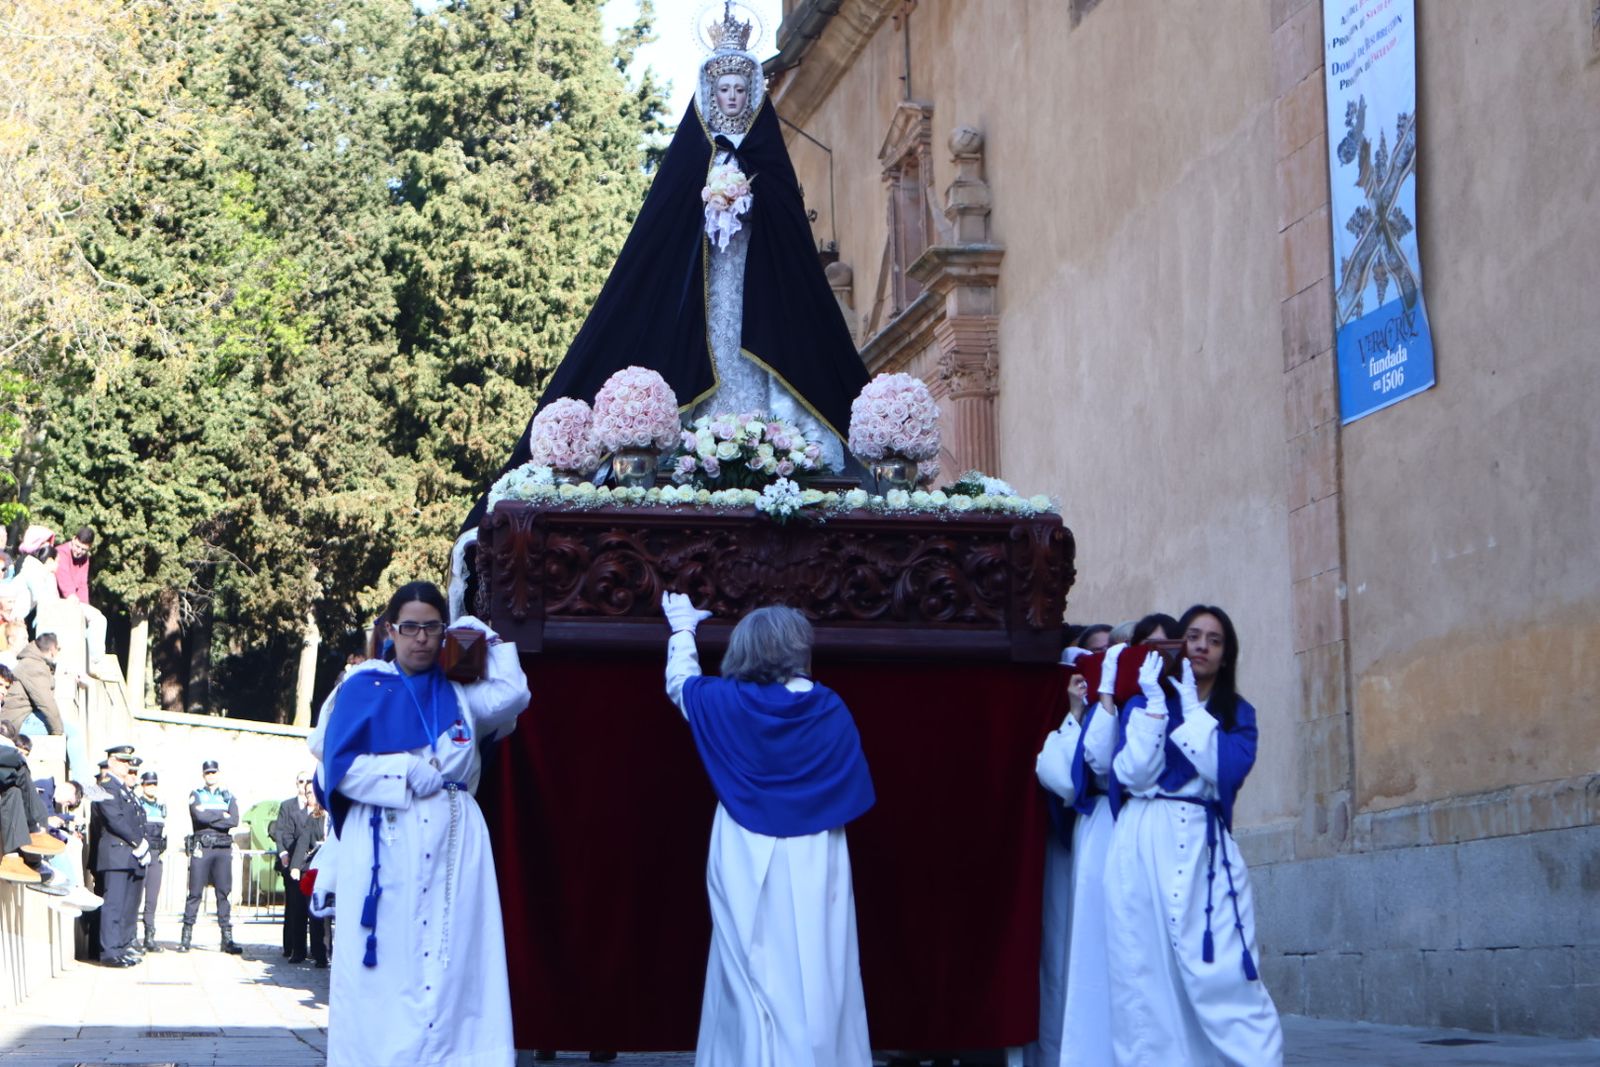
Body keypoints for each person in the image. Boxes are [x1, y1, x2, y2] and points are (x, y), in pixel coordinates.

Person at [460, 3, 868, 533]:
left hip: (755, 287)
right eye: (724, 91)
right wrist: (711, 208)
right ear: (709, 94)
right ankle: (697, 435)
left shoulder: (770, 162)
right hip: (708, 288)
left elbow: (789, 244)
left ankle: (768, 436)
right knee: (709, 340)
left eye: (742, 91)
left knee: (757, 352)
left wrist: (750, 206)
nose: (733, 99)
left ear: (753, 95)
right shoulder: (688, 164)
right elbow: (660, 245)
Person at [309, 580, 529, 1067]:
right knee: (392, 962)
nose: (422, 639)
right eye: (410, 628)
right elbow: (335, 767)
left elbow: (514, 697)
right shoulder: (363, 684)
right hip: (388, 837)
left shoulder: (460, 691)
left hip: (456, 841)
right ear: (392, 629)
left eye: (433, 628)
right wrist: (403, 771)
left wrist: (487, 637)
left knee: (457, 957)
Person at [661, 593, 875, 1067]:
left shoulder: (726, 702)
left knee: (745, 963)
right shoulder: (828, 706)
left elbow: (682, 684)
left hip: (744, 841)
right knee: (820, 958)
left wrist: (683, 629)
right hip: (816, 846)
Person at [1105, 605, 1283, 1065]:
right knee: (1145, 975)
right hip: (1144, 843)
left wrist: (1191, 709)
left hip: (1204, 849)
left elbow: (1227, 767)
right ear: (1180, 644)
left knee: (1222, 972)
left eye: (1215, 639)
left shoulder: (1237, 713)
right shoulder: (1146, 703)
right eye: (1195, 636)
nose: (1202, 645)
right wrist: (1157, 707)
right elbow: (1133, 776)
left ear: (1226, 655)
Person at [89, 744, 150, 966]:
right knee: (113, 904)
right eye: (123, 761)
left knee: (126, 905)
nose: (127, 765)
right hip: (116, 853)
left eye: (128, 762)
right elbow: (115, 819)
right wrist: (138, 842)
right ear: (112, 762)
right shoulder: (107, 786)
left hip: (127, 854)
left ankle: (120, 947)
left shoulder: (122, 788)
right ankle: (109, 952)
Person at [178, 759, 243, 954]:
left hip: (222, 849)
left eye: (214, 772)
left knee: (223, 893)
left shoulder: (228, 796)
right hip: (203, 847)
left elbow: (234, 820)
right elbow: (199, 817)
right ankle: (186, 938)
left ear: (219, 774)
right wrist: (221, 816)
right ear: (203, 775)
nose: (211, 776)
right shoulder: (196, 794)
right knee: (195, 893)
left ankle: (227, 938)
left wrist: (215, 816)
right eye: (208, 773)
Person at [55, 527, 113, 679]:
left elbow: (82, 584)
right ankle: (94, 661)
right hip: (62, 600)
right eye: (77, 546)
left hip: (74, 600)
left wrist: (85, 606)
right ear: (73, 539)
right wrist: (75, 601)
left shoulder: (85, 558)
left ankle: (89, 658)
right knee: (99, 619)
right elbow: (64, 580)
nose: (79, 551)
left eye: (83, 549)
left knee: (92, 619)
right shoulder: (61, 552)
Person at [269, 773, 316, 963]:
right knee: (293, 908)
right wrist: (287, 855)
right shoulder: (288, 806)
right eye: (301, 781)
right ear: (297, 784)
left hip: (310, 864)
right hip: (293, 861)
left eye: (308, 781)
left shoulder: (320, 809)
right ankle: (292, 947)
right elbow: (281, 833)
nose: (304, 785)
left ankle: (317, 949)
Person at [136, 771, 168, 951]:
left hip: (156, 855)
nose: (152, 788)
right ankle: (131, 936)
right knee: (136, 897)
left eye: (154, 784)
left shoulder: (161, 806)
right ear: (143, 786)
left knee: (152, 899)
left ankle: (149, 936)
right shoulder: (138, 804)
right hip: (141, 854)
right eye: (148, 784)